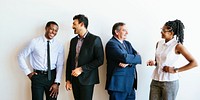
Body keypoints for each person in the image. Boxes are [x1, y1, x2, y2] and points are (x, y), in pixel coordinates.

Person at [147, 19, 198, 100]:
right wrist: (154, 62)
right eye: (161, 29)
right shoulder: (158, 43)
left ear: (172, 33)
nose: (161, 32)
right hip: (156, 80)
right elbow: (159, 62)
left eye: (164, 30)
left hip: (170, 82)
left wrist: (176, 70)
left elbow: (194, 63)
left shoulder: (178, 46)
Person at [18, 21, 64, 100]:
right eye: (51, 29)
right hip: (37, 77)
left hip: (52, 78)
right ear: (46, 28)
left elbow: (60, 65)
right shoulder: (35, 42)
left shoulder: (59, 45)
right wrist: (28, 73)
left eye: (56, 30)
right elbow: (21, 56)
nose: (53, 32)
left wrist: (57, 82)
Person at [65, 14, 104, 100]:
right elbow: (70, 61)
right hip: (74, 79)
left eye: (74, 24)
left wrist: (81, 69)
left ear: (82, 24)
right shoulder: (73, 41)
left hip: (88, 79)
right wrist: (68, 79)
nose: (72, 26)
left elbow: (100, 60)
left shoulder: (95, 39)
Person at [105, 22, 142, 100]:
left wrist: (128, 63)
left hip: (130, 85)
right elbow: (124, 57)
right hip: (118, 86)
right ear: (116, 32)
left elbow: (138, 57)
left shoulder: (127, 44)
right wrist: (130, 59)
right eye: (124, 30)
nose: (127, 33)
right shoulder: (111, 44)